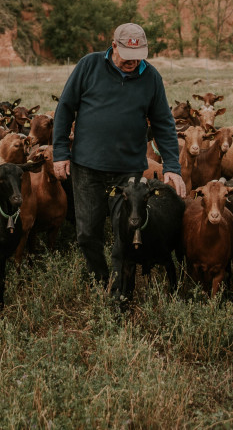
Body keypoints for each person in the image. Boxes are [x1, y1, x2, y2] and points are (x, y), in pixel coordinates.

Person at [52, 22, 186, 284]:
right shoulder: (89, 66)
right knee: (87, 232)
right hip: (87, 166)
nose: (133, 62)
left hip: (128, 170)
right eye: (127, 56)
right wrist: (59, 152)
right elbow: (65, 108)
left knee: (126, 229)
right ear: (114, 46)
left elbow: (164, 124)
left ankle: (118, 287)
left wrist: (172, 167)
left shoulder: (152, 78)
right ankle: (99, 277)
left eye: (139, 57)